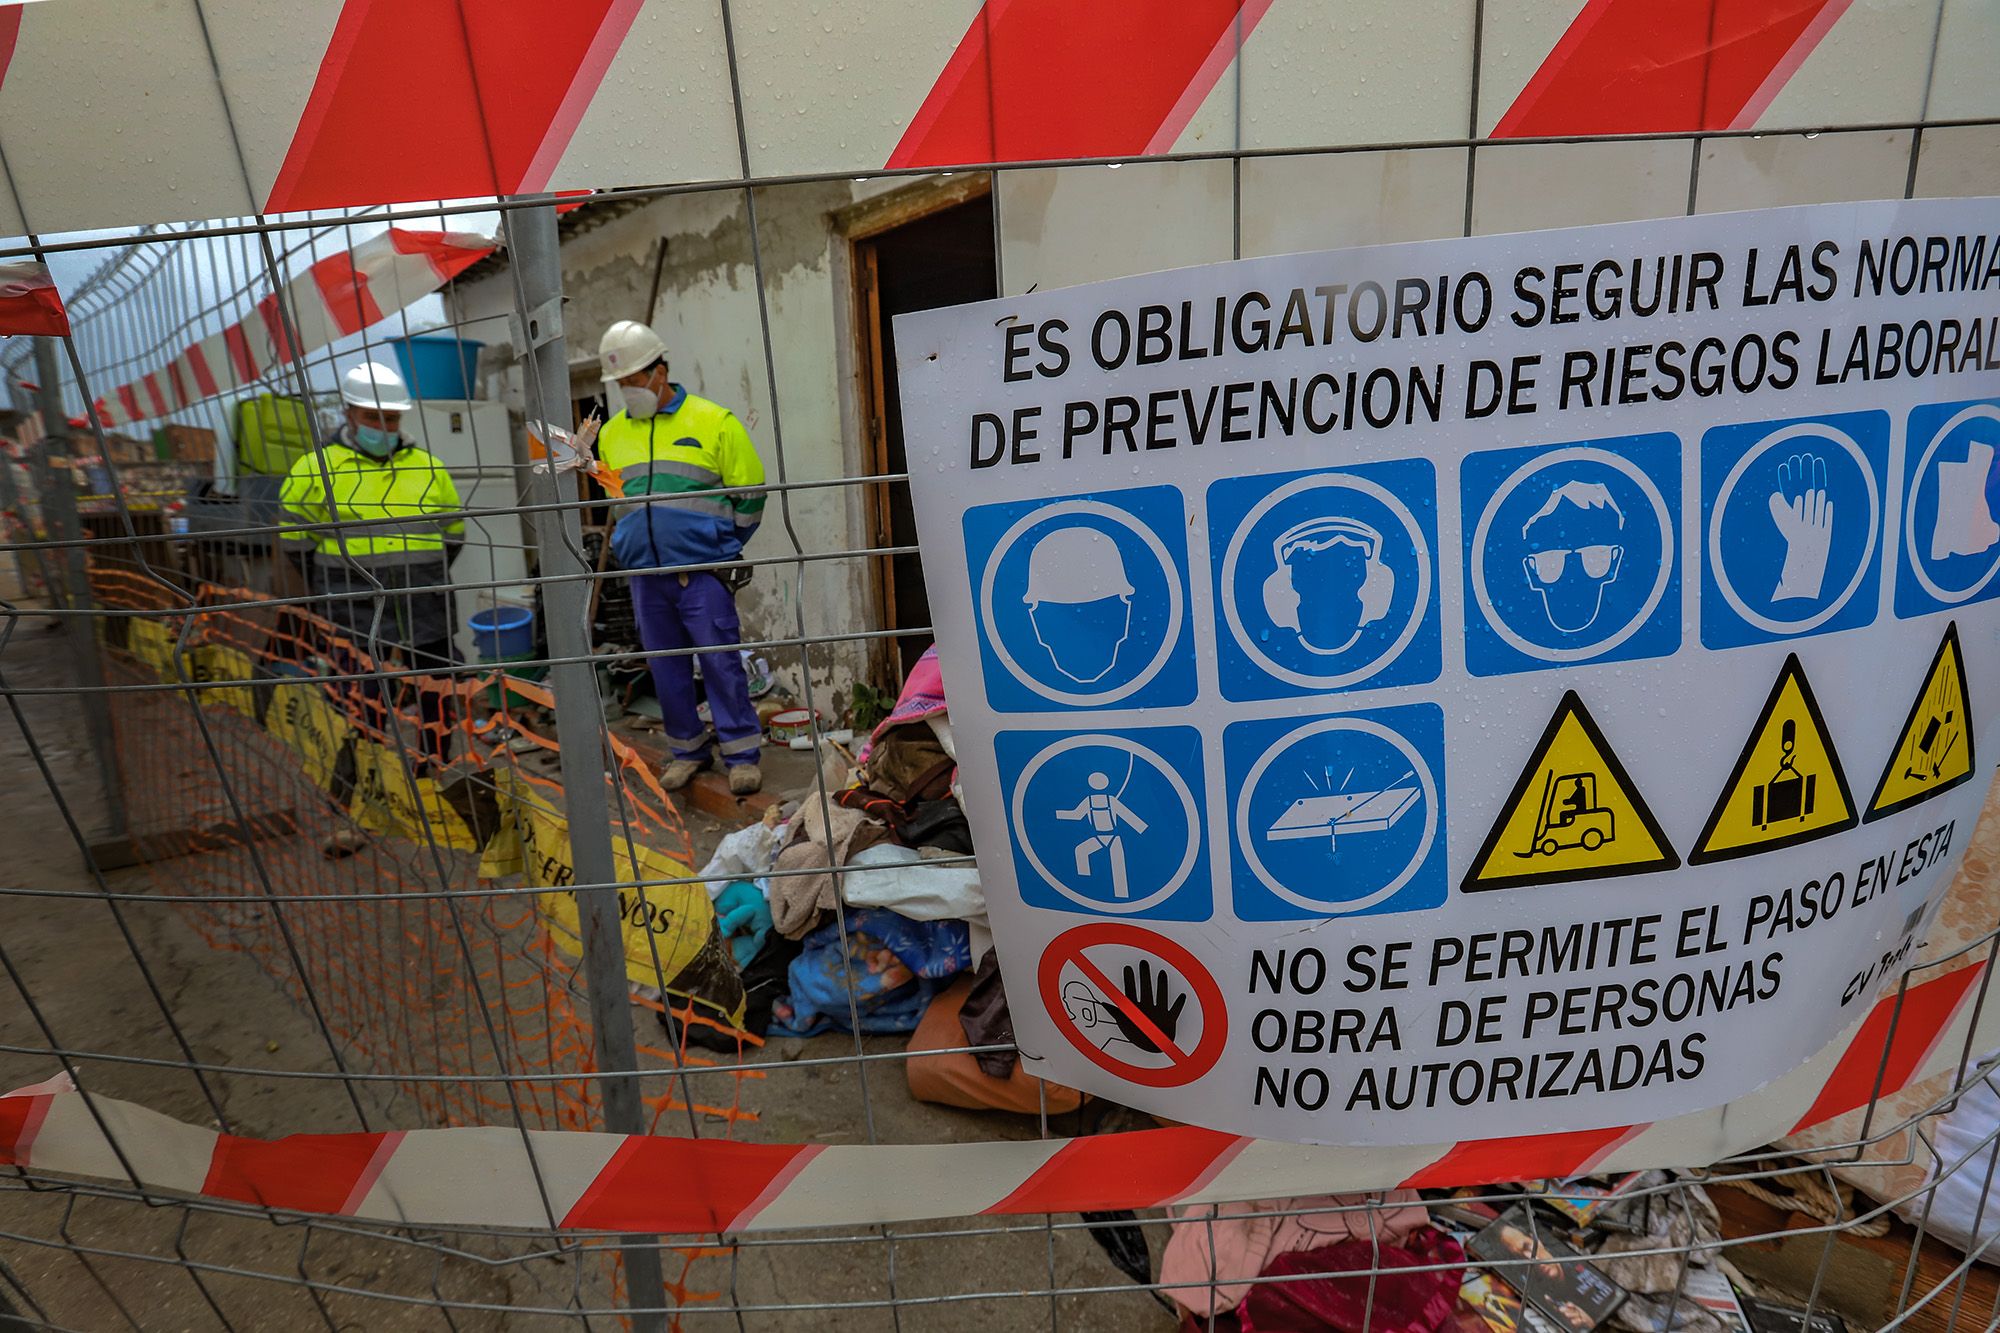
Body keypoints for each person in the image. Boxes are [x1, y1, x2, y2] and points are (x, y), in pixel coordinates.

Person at [595, 319, 767, 794]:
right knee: (665, 668)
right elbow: (618, 502)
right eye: (620, 384)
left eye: (633, 380)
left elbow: (750, 493)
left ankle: (742, 755)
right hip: (646, 576)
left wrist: (722, 544)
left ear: (660, 371)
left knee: (719, 662)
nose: (628, 390)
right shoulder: (611, 435)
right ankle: (687, 751)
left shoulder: (714, 422)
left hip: (702, 572)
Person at [277, 361, 464, 775]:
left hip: (425, 597)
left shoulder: (428, 467)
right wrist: (334, 582)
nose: (383, 425)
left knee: (436, 689)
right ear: (349, 412)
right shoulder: (315, 470)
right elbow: (295, 542)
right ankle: (367, 782)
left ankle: (433, 771)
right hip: (352, 603)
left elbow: (454, 531)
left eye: (391, 418)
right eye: (372, 417)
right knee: (360, 696)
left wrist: (421, 572)